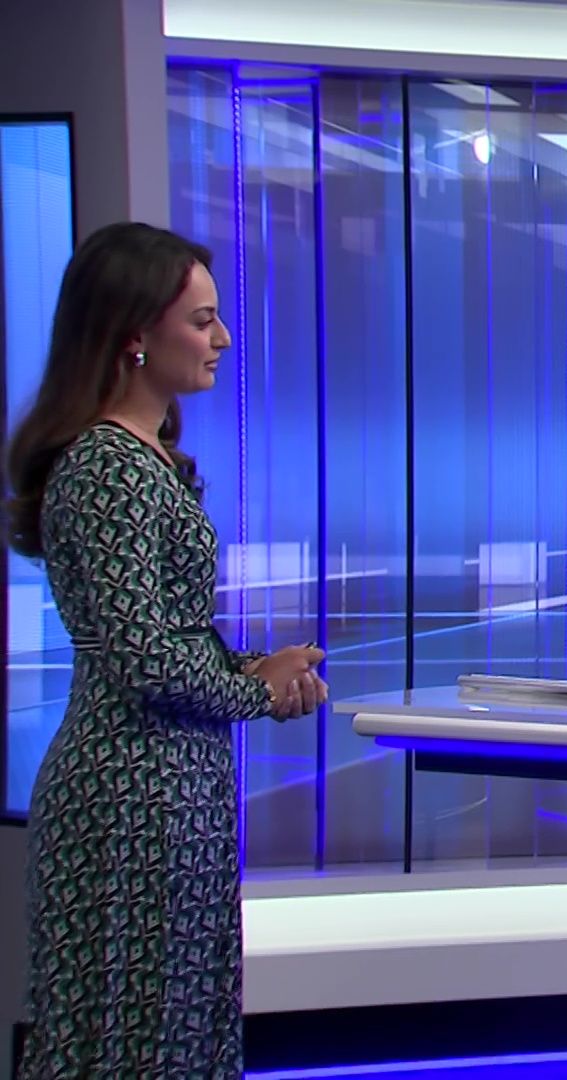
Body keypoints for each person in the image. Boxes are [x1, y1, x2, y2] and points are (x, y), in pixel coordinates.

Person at [4, 222, 327, 1079]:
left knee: (175, 1032)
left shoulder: (144, 461)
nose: (223, 339)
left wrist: (251, 667)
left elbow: (163, 632)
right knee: (130, 1042)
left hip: (170, 795)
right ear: (133, 335)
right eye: (203, 321)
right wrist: (259, 695)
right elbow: (144, 657)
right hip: (127, 803)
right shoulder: (106, 467)